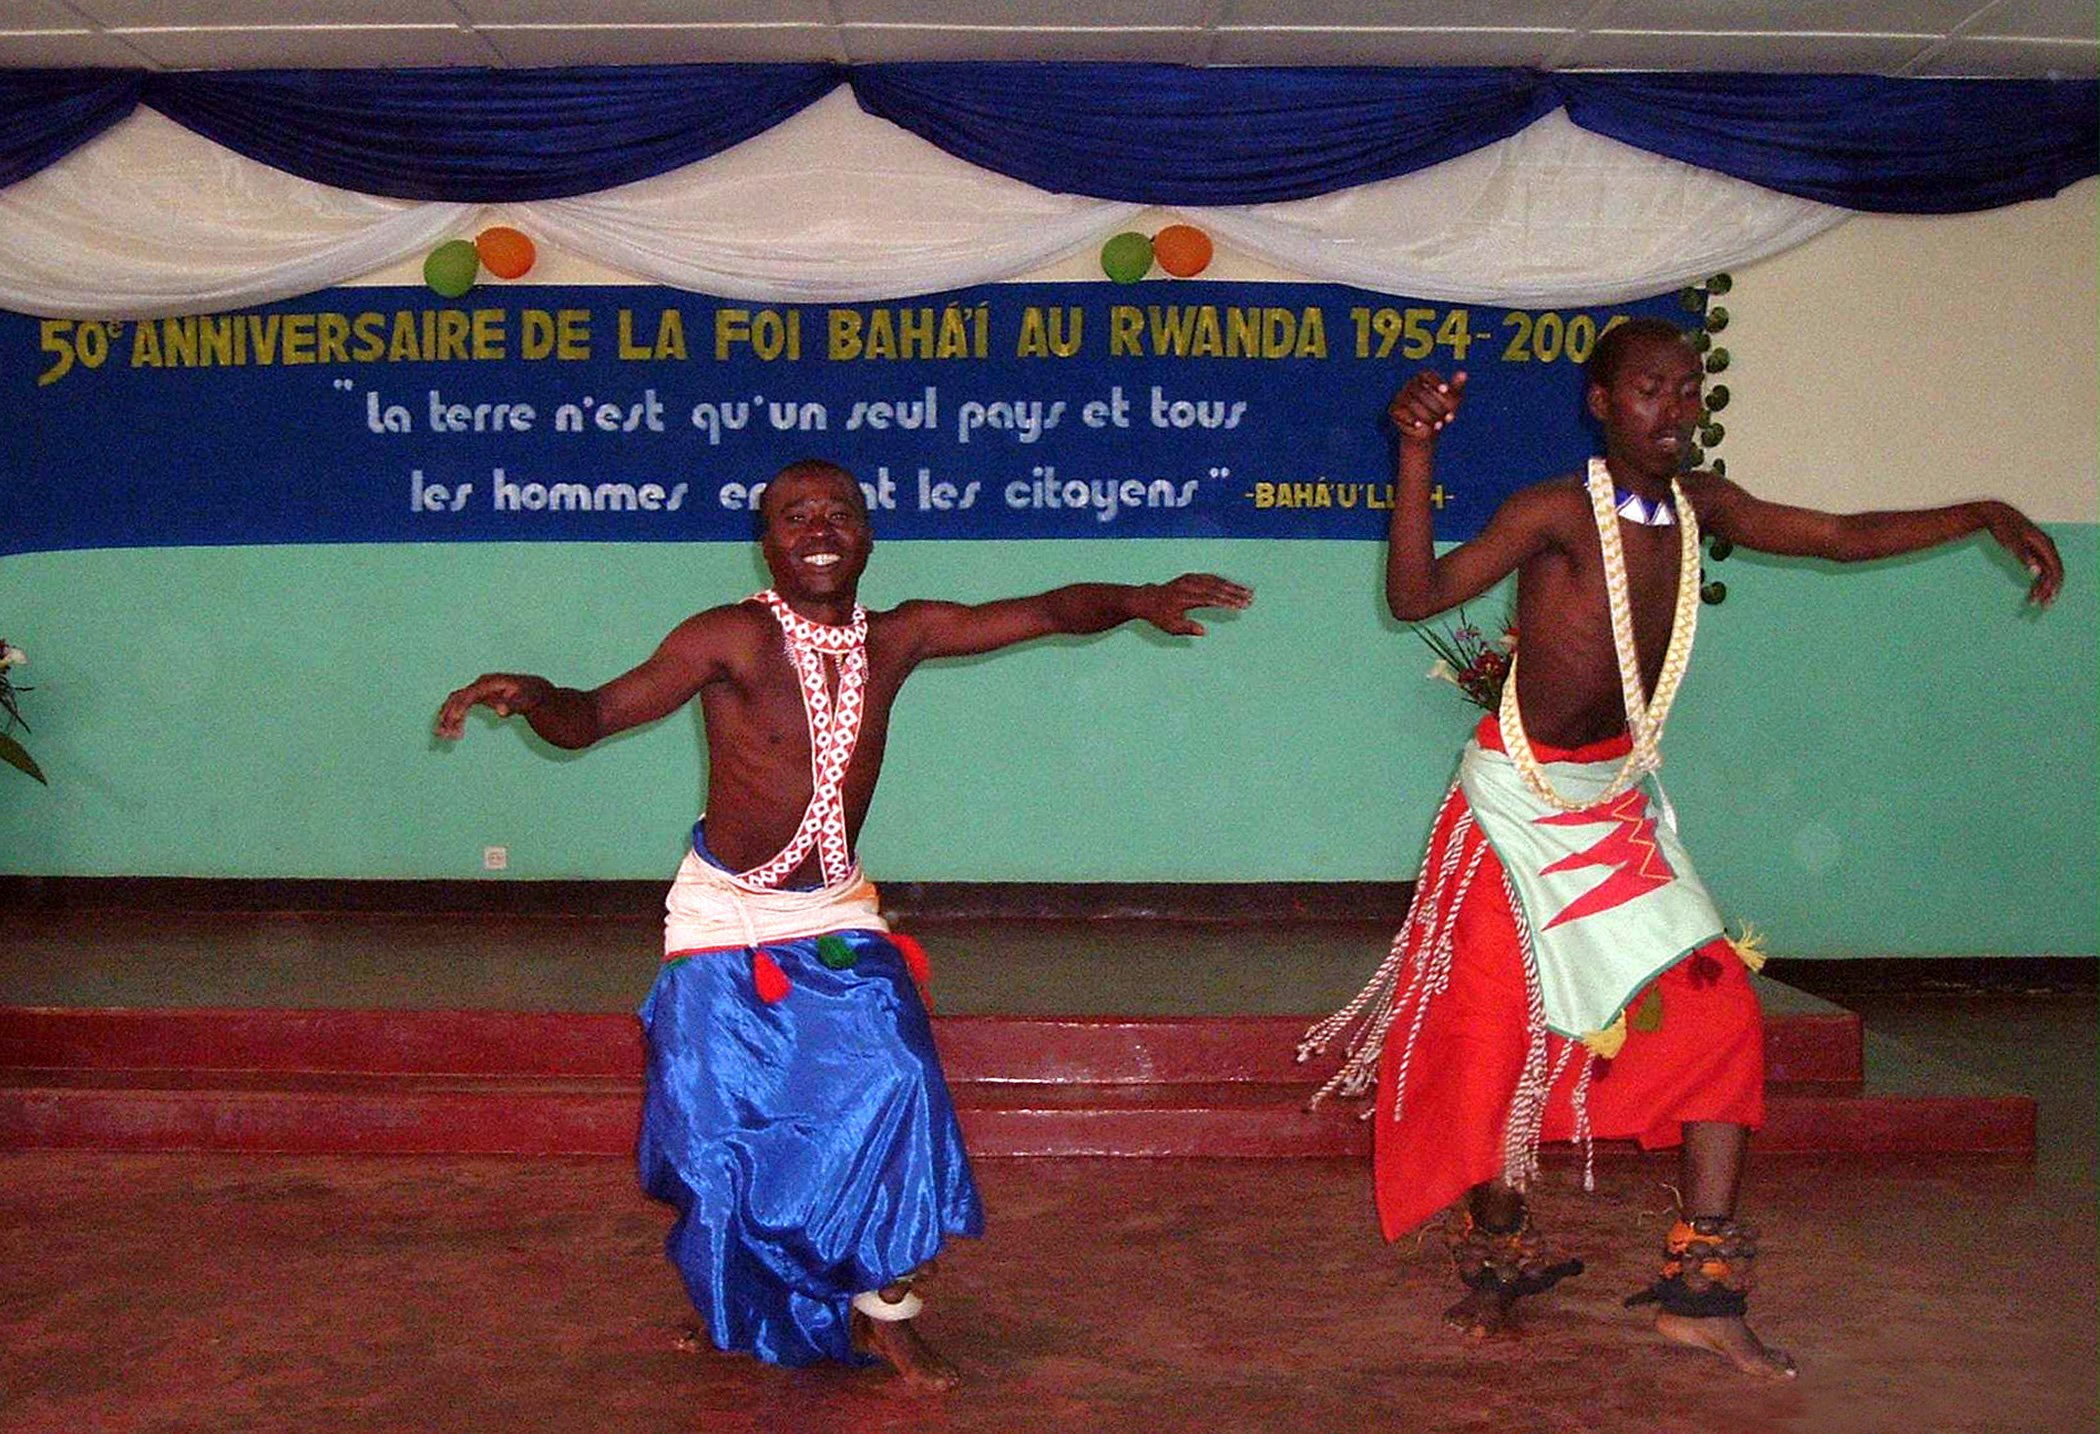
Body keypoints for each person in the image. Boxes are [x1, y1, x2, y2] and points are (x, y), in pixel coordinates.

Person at [1302, 318, 2061, 1380]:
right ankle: (1502, 1264)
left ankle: (1703, 1291)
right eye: (1651, 389)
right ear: (1603, 404)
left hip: (1615, 808)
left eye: (1688, 388)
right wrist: (1416, 451)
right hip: (1512, 809)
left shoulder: (1708, 508)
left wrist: (1982, 511)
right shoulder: (1557, 510)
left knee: (1720, 1013)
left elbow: (1843, 533)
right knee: (1495, 1042)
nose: (1675, 407)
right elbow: (1414, 599)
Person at [436, 458, 1251, 1392]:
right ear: (768, 542)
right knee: (714, 1134)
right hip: (722, 915)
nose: (818, 528)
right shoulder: (729, 639)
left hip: (833, 914)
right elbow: (595, 715)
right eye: (794, 516)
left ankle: (887, 1314)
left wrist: (1138, 596)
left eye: (838, 513)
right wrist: (538, 695)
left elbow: (1049, 608)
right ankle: (738, 1301)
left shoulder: (898, 636)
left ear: (868, 537)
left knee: (899, 1081)